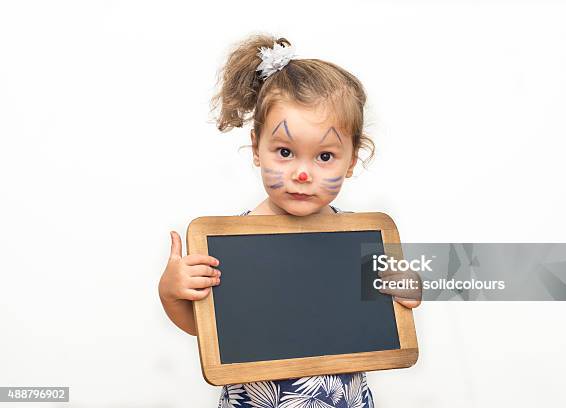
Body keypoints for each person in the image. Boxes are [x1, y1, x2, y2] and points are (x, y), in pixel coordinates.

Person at [158, 34, 421, 408]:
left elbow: (394, 307)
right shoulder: (235, 247)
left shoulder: (358, 243)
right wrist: (172, 293)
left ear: (351, 160)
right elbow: (210, 330)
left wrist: (408, 287)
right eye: (285, 152)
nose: (302, 173)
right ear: (256, 149)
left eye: (324, 156)